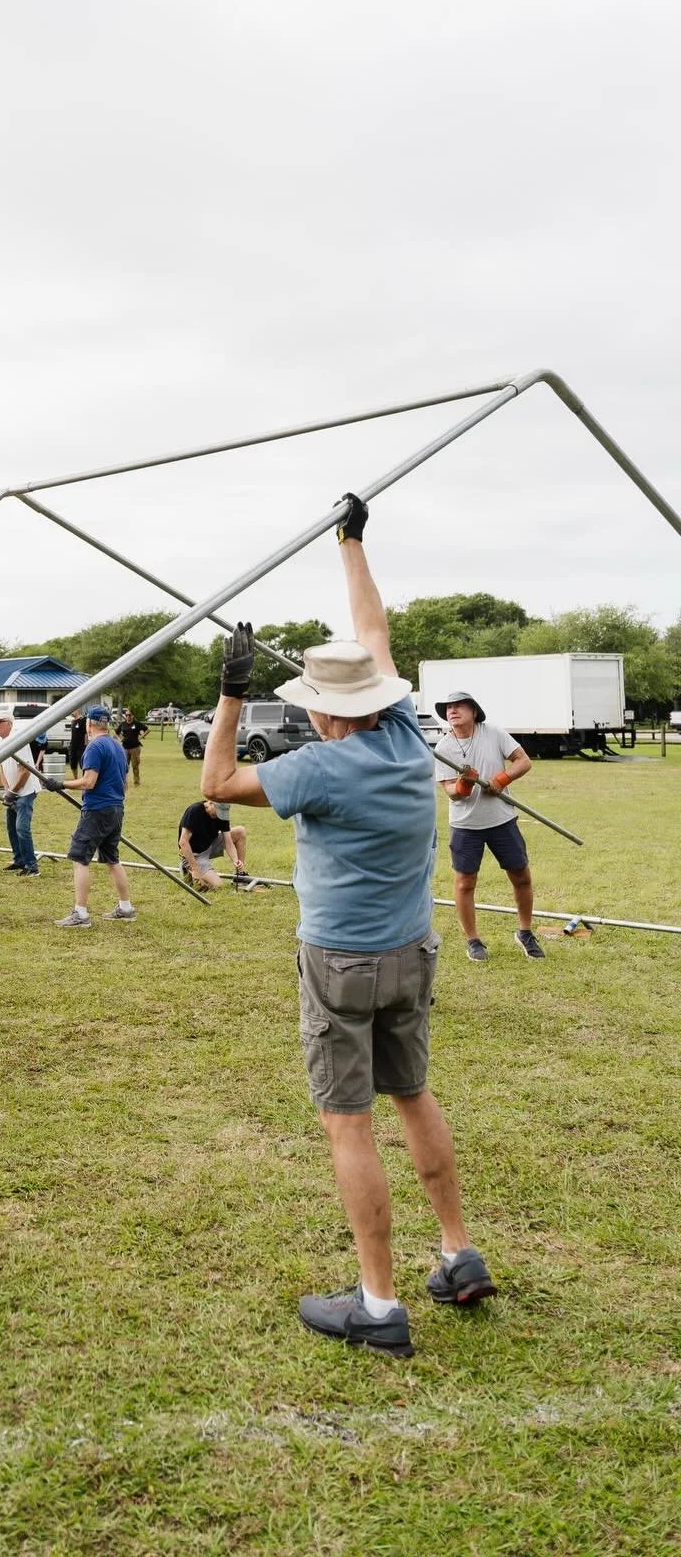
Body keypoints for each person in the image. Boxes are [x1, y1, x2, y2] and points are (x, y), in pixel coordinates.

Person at [203, 492, 495, 1359]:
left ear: (327, 712)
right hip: (411, 951)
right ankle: (457, 1253)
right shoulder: (408, 732)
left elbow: (217, 784)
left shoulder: (320, 767)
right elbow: (375, 632)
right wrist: (351, 543)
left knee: (350, 1123)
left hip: (341, 963)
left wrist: (230, 694)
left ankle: (377, 1304)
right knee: (413, 1095)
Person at [433, 691, 542, 963]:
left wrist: (503, 778)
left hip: (501, 819)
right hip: (465, 825)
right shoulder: (443, 748)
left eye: (459, 706)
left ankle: (525, 933)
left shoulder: (493, 733)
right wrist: (464, 784)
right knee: (465, 882)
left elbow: (523, 761)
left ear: (474, 711)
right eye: (448, 707)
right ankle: (473, 941)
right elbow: (451, 792)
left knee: (521, 876)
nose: (452, 710)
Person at [51, 706, 134, 928]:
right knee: (112, 859)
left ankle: (80, 914)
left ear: (89, 724)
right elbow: (124, 784)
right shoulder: (117, 745)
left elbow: (89, 782)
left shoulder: (95, 746)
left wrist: (60, 784)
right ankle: (126, 908)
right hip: (116, 808)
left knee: (79, 858)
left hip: (97, 810)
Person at [0, 703, 40, 876]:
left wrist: (13, 792)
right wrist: (6, 789)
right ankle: (19, 860)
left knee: (21, 828)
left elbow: (24, 771)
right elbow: (3, 768)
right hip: (13, 792)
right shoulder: (2, 742)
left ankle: (32, 866)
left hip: (25, 791)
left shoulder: (18, 741)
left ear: (9, 723)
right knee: (11, 827)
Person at [176, 798, 265, 891]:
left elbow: (228, 842)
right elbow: (183, 842)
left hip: (209, 844)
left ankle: (240, 876)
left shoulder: (222, 815)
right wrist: (195, 869)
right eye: (219, 811)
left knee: (240, 831)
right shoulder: (195, 810)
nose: (220, 815)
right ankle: (187, 867)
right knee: (218, 886)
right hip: (194, 854)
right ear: (210, 802)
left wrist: (236, 860)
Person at [117, 708, 149, 787]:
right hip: (125, 748)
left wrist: (141, 737)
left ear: (133, 716)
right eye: (126, 715)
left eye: (129, 715)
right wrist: (121, 738)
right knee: (124, 766)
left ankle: (136, 783)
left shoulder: (137, 724)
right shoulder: (123, 724)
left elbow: (147, 730)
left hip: (135, 748)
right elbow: (117, 732)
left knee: (135, 766)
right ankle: (123, 782)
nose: (128, 716)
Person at [66, 712, 86, 778]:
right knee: (72, 764)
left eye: (73, 710)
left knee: (82, 764)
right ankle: (75, 778)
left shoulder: (83, 720)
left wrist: (86, 744)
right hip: (73, 746)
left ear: (77, 710)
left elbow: (86, 734)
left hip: (81, 746)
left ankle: (84, 778)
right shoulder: (73, 721)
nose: (71, 712)